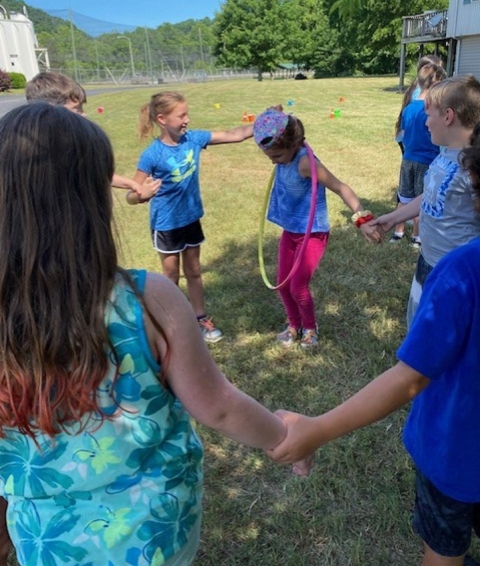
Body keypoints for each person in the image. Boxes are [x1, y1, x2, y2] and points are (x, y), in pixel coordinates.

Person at [0, 102, 289, 566]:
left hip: (47, 542)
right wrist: (282, 436)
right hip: (155, 535)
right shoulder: (148, 299)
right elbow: (217, 405)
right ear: (91, 199)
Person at [268, 134, 480, 565]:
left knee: (444, 550)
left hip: (456, 457)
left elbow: (411, 377)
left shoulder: (463, 271)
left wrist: (317, 429)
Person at [127, 91, 254, 344]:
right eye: (181, 115)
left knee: (194, 271)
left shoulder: (193, 139)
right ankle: (171, 324)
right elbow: (131, 194)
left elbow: (234, 135)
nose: (187, 119)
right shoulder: (152, 155)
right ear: (162, 119)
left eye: (187, 113)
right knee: (171, 274)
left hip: (190, 219)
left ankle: (200, 318)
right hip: (166, 224)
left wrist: (264, 121)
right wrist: (143, 195)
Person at [253, 108, 379, 349]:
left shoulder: (304, 164)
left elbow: (341, 187)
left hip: (312, 234)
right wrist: (277, 112)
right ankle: (294, 325)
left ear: (291, 145)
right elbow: (272, 121)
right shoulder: (284, 150)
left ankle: (310, 327)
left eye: (277, 156)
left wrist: (362, 219)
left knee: (298, 285)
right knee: (282, 282)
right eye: (270, 157)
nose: (273, 161)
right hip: (291, 231)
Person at [366, 75, 480, 326]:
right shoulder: (445, 155)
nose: (426, 123)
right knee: (418, 326)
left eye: (429, 116)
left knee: (441, 342)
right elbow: (431, 197)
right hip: (427, 263)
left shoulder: (472, 168)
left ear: (448, 117)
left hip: (456, 276)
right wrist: (393, 218)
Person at [25, 71, 157, 197]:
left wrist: (131, 184)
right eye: (76, 109)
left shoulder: (74, 142)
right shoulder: (33, 150)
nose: (84, 114)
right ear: (49, 110)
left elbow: (94, 174)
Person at [389, 62, 446, 246]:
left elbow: (404, 133)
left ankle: (398, 233)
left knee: (404, 198)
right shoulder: (431, 110)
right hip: (427, 161)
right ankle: (416, 236)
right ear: (437, 84)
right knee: (422, 200)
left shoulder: (408, 108)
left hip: (407, 159)